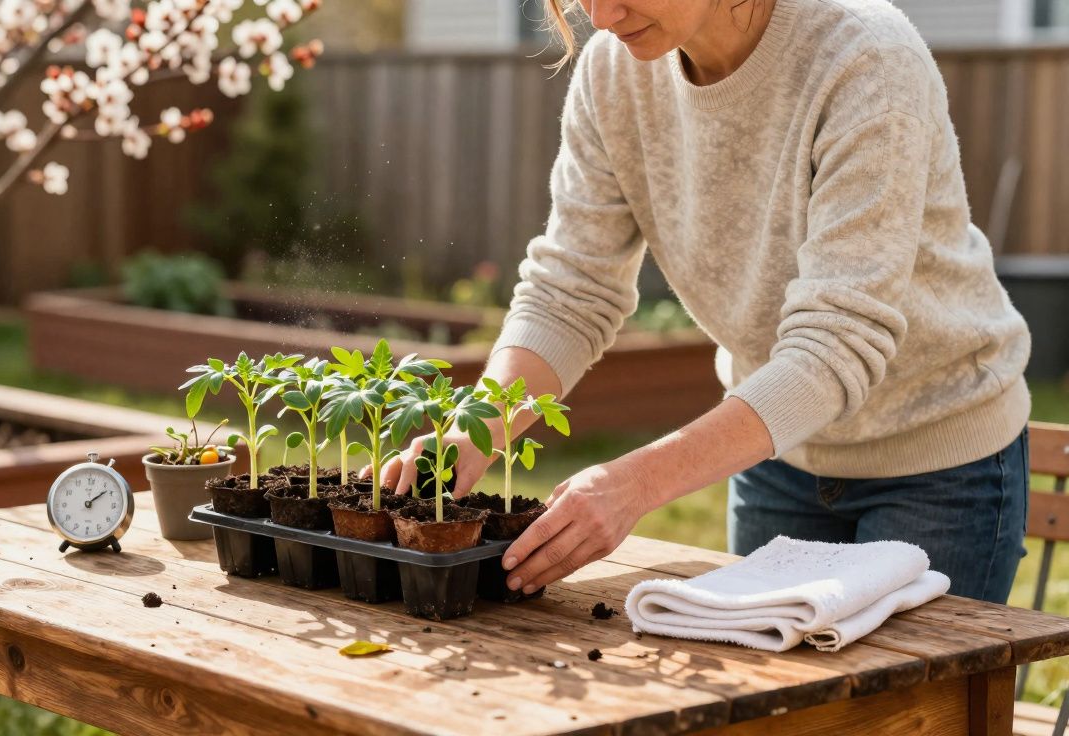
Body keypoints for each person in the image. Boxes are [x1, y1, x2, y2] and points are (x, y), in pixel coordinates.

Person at [377, 0, 1031, 604]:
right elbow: (568, 293)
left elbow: (838, 341)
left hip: (936, 462)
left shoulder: (865, 58)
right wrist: (474, 430)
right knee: (772, 723)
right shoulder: (614, 74)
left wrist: (636, 482)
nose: (602, 15)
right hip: (775, 456)